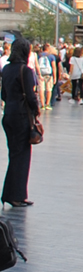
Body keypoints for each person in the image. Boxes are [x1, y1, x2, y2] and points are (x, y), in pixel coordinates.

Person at [0, 37, 39, 208]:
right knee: (22, 156)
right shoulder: (26, 70)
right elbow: (31, 97)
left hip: (9, 114)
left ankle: (13, 194)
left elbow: (4, 94)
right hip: (22, 116)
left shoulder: (7, 69)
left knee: (15, 155)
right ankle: (15, 195)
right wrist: (36, 111)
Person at [35, 44, 55, 112]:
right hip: (49, 74)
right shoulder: (51, 56)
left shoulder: (39, 55)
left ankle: (42, 105)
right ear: (48, 49)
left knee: (41, 89)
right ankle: (47, 104)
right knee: (49, 89)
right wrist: (55, 77)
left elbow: (37, 65)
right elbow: (54, 67)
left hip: (41, 74)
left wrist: (38, 74)